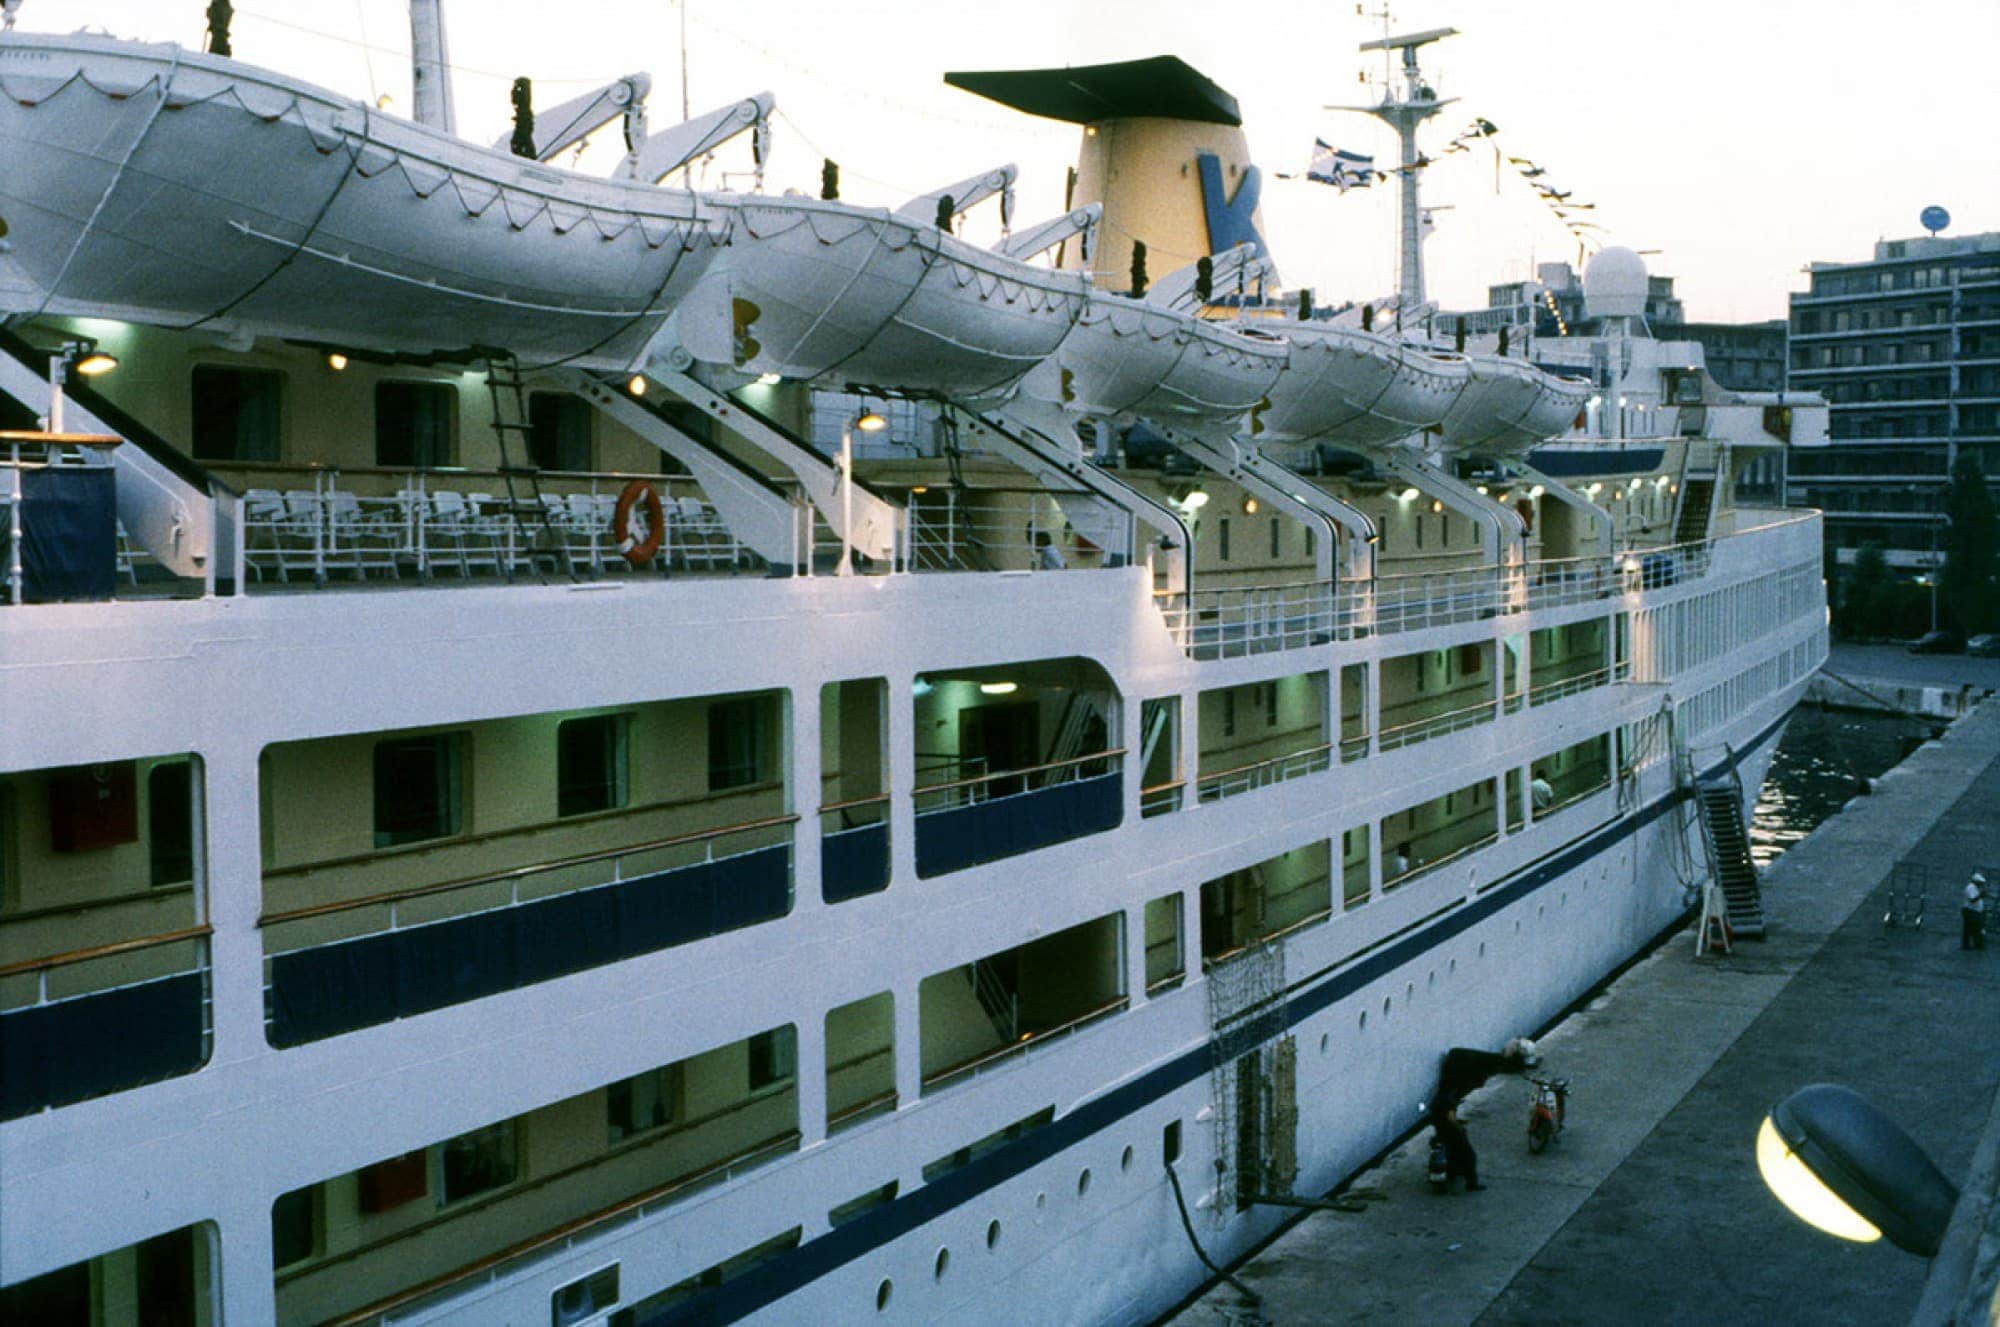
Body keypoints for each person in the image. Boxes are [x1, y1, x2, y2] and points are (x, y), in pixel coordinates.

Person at [1426, 1039, 1538, 1194]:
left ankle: (1449, 1175)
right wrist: (1458, 1126)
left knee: (1449, 1147)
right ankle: (1471, 1184)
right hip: (1448, 1119)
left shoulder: (1448, 1085)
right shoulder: (1451, 1095)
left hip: (1441, 1119)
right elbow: (1450, 1115)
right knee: (1468, 1154)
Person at [1965, 872, 1987, 951]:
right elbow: (1972, 900)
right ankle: (1977, 945)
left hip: (1973, 911)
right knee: (1976, 928)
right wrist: (1981, 895)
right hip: (1972, 911)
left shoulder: (1974, 888)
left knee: (1969, 928)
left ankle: (1967, 945)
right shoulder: (1971, 888)